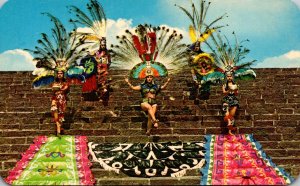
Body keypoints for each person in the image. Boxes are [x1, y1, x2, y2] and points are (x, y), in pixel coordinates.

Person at [125, 70, 170, 135]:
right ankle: (155, 121)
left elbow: (162, 87)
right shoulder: (142, 86)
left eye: (150, 77)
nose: (149, 78)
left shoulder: (155, 86)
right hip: (144, 102)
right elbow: (133, 88)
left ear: (152, 78)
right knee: (149, 107)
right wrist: (128, 82)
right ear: (146, 78)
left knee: (150, 116)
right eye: (148, 77)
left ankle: (148, 131)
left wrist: (167, 82)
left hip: (153, 103)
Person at [51, 70, 70, 137]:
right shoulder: (54, 83)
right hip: (55, 99)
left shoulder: (66, 83)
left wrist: (59, 88)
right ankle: (58, 126)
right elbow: (53, 90)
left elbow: (65, 89)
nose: (59, 74)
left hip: (62, 99)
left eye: (61, 73)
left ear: (63, 74)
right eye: (58, 73)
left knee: (61, 114)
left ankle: (59, 129)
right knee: (54, 110)